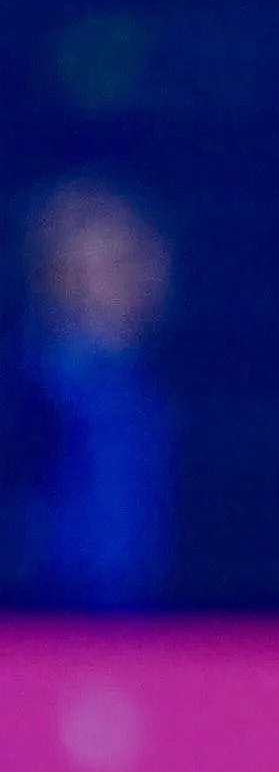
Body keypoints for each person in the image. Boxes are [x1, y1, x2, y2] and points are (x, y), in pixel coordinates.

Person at [4, 181, 175, 609]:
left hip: (132, 618)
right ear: (61, 277)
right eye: (120, 265)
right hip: (47, 625)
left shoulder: (137, 388)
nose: (148, 277)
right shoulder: (31, 388)